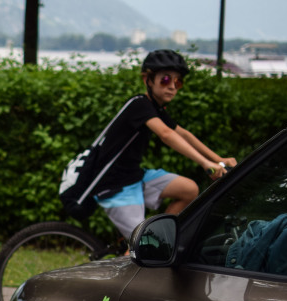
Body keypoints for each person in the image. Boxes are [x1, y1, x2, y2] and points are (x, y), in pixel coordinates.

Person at [93, 49, 238, 239]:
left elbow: (183, 134)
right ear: (147, 79)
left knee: (189, 190)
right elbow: (166, 134)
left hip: (133, 177)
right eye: (166, 79)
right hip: (114, 185)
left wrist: (218, 159)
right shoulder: (139, 104)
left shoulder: (155, 109)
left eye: (178, 82)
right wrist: (205, 163)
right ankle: (146, 246)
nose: (173, 87)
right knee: (146, 245)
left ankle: (157, 237)